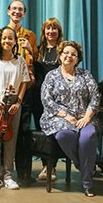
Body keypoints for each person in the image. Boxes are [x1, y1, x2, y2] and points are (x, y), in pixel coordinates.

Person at [0, 0, 37, 182]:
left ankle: (13, 174)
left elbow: (32, 67)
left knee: (15, 136)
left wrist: (29, 50)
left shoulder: (30, 35)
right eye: (14, 9)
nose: (17, 12)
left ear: (24, 13)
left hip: (19, 95)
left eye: (20, 9)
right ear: (8, 11)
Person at [40, 41, 100, 197]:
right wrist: (66, 116)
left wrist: (87, 117)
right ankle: (83, 167)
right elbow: (46, 100)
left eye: (73, 54)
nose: (69, 56)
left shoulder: (85, 74)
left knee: (88, 137)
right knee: (63, 135)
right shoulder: (51, 75)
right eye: (66, 53)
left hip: (83, 117)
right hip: (59, 117)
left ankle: (87, 184)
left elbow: (95, 96)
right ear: (60, 56)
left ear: (78, 59)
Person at [0, 26, 29, 190]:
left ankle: (8, 176)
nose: (7, 41)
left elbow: (24, 82)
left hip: (13, 103)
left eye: (10, 38)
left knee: (11, 140)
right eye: (4, 38)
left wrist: (18, 102)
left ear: (15, 41)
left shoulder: (20, 61)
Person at [32, 18, 63, 181]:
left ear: (59, 32)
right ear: (44, 32)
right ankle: (45, 165)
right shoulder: (38, 51)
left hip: (56, 98)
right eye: (48, 29)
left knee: (54, 131)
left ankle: (52, 167)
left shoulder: (64, 49)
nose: (51, 31)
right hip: (38, 97)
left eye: (54, 29)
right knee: (42, 130)